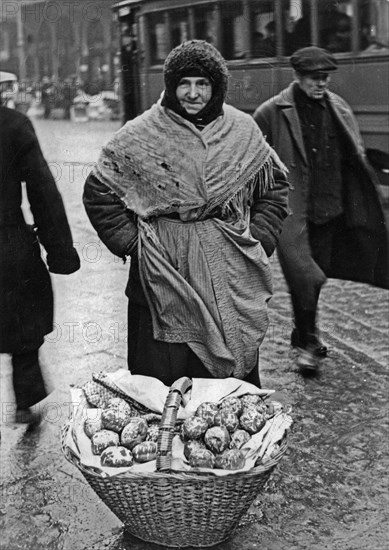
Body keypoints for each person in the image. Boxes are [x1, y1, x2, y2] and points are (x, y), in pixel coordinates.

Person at [83, 40, 289, 388]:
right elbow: (99, 191)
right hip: (162, 264)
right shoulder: (140, 133)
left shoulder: (242, 131)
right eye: (184, 83)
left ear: (217, 87)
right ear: (170, 86)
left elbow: (273, 188)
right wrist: (136, 245)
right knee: (164, 370)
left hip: (227, 262)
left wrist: (258, 240)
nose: (193, 94)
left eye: (203, 84)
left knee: (228, 371)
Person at [253, 46, 389, 375]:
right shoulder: (272, 112)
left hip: (333, 211)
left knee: (319, 275)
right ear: (298, 77)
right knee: (306, 279)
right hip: (295, 215)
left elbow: (354, 155)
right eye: (314, 78)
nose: (321, 84)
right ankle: (308, 345)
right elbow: (253, 160)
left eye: (325, 77)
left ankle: (302, 332)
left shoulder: (338, 108)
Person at [0, 104, 80, 426]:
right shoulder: (13, 125)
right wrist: (59, 250)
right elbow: (42, 190)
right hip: (8, 244)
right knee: (23, 322)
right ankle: (27, 396)